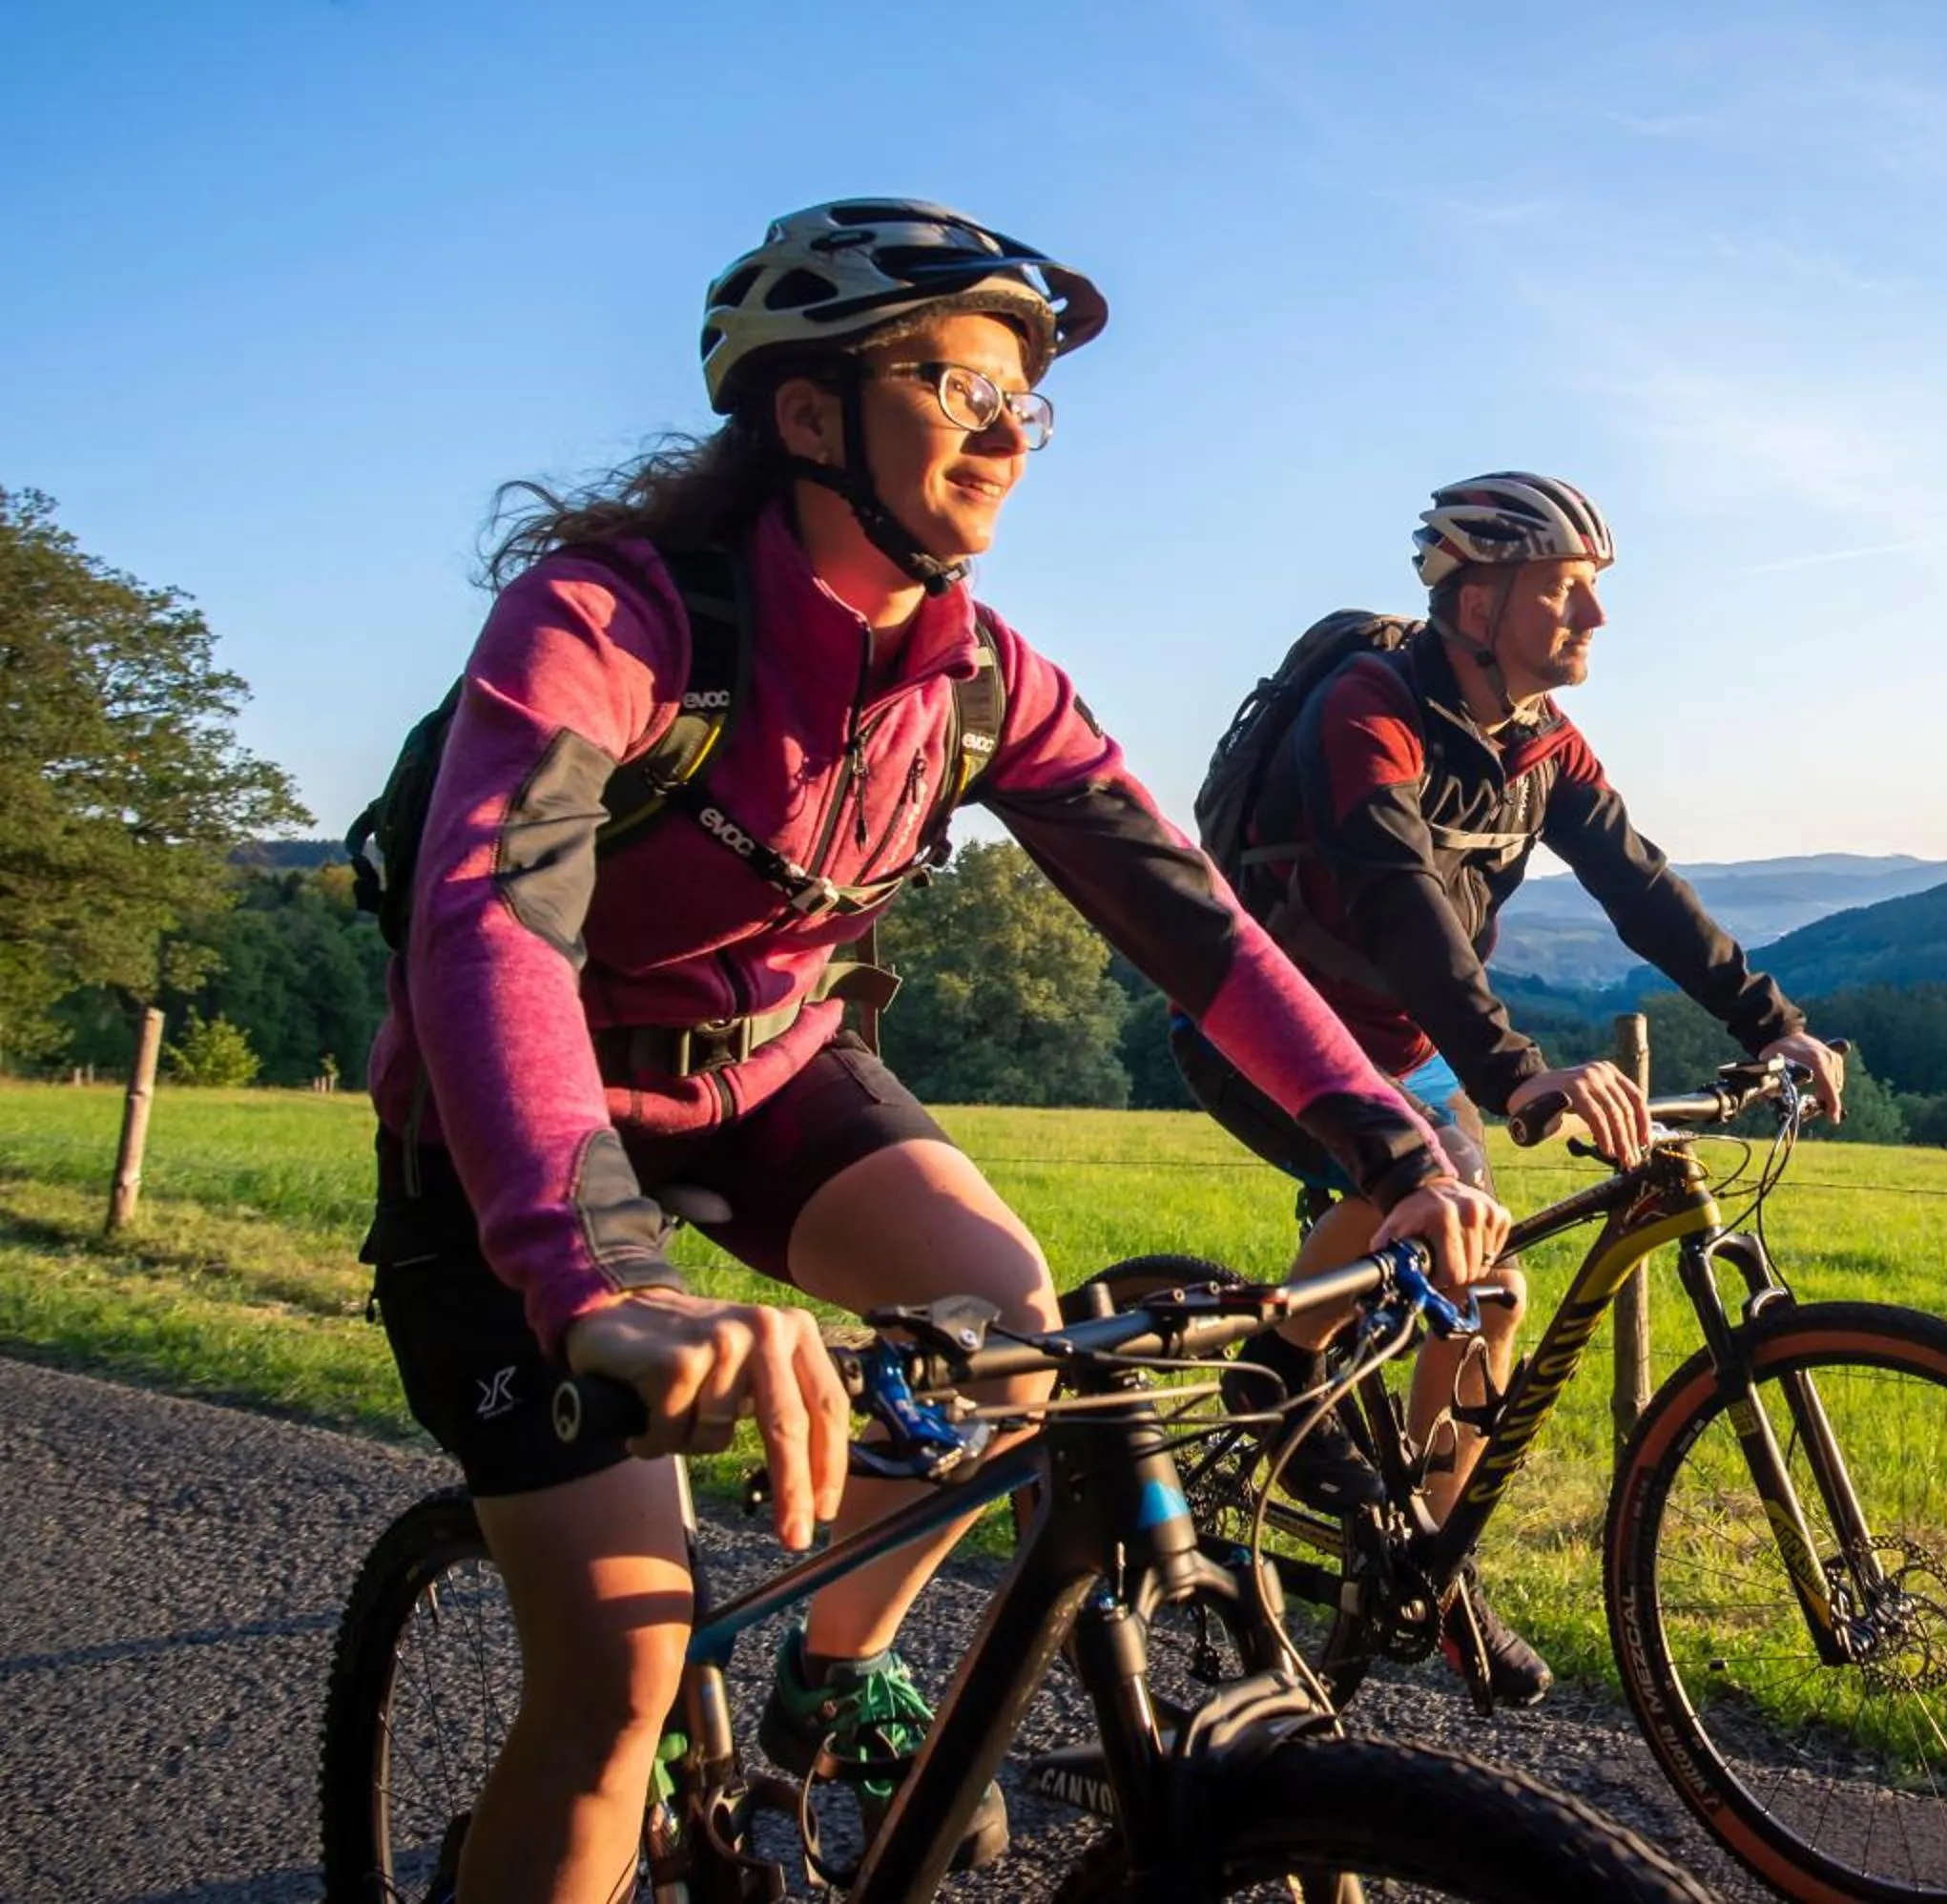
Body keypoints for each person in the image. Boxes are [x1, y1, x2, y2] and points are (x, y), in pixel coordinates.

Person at [361, 199, 1506, 1904]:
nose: (1005, 430)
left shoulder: (979, 676)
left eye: (1023, 402)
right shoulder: (608, 624)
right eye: (957, 383)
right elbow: (491, 929)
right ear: (810, 416)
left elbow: (1199, 929)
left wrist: (1398, 1152)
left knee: (1013, 1324)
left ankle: (832, 1680)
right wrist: (599, 1272)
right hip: (508, 1134)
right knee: (617, 1686)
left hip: (768, 1070)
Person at [1172, 471, 1844, 1707]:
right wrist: (1520, 1078)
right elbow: (1399, 903)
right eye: (1566, 590)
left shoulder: (1541, 741)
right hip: (1262, 1030)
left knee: (1493, 1293)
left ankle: (1435, 1570)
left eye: (1595, 590)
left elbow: (1639, 888)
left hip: (1405, 1043)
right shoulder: (1365, 713)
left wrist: (1774, 1024)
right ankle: (1269, 1376)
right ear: (1475, 598)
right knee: (1428, 1201)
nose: (1595, 618)